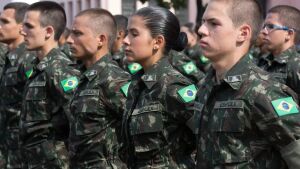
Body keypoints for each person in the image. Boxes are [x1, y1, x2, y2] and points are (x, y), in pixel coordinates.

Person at [195, 0, 300, 168]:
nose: (201, 30)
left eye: (214, 23)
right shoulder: (205, 86)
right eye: (203, 22)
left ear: (243, 33)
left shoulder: (265, 91)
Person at [121, 6, 196, 169]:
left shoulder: (174, 86)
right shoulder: (137, 84)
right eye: (127, 33)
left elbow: (207, 141)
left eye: (134, 34)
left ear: (157, 42)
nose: (125, 40)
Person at [20, 1, 80, 168]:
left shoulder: (60, 70)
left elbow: (78, 122)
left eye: (29, 26)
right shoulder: (37, 66)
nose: (22, 31)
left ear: (48, 32)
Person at [67, 8, 130, 169]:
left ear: (100, 39)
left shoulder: (114, 78)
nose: (69, 39)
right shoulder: (84, 75)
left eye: (77, 34)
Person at [0, 2, 36, 169]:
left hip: (24, 150)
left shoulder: (27, 59)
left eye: (5, 22)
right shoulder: (10, 56)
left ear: (22, 26)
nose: (0, 26)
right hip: (8, 145)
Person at [258, 5, 300, 99]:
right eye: (264, 26)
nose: (264, 31)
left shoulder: (296, 65)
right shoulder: (262, 61)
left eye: (270, 26)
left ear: (289, 34)